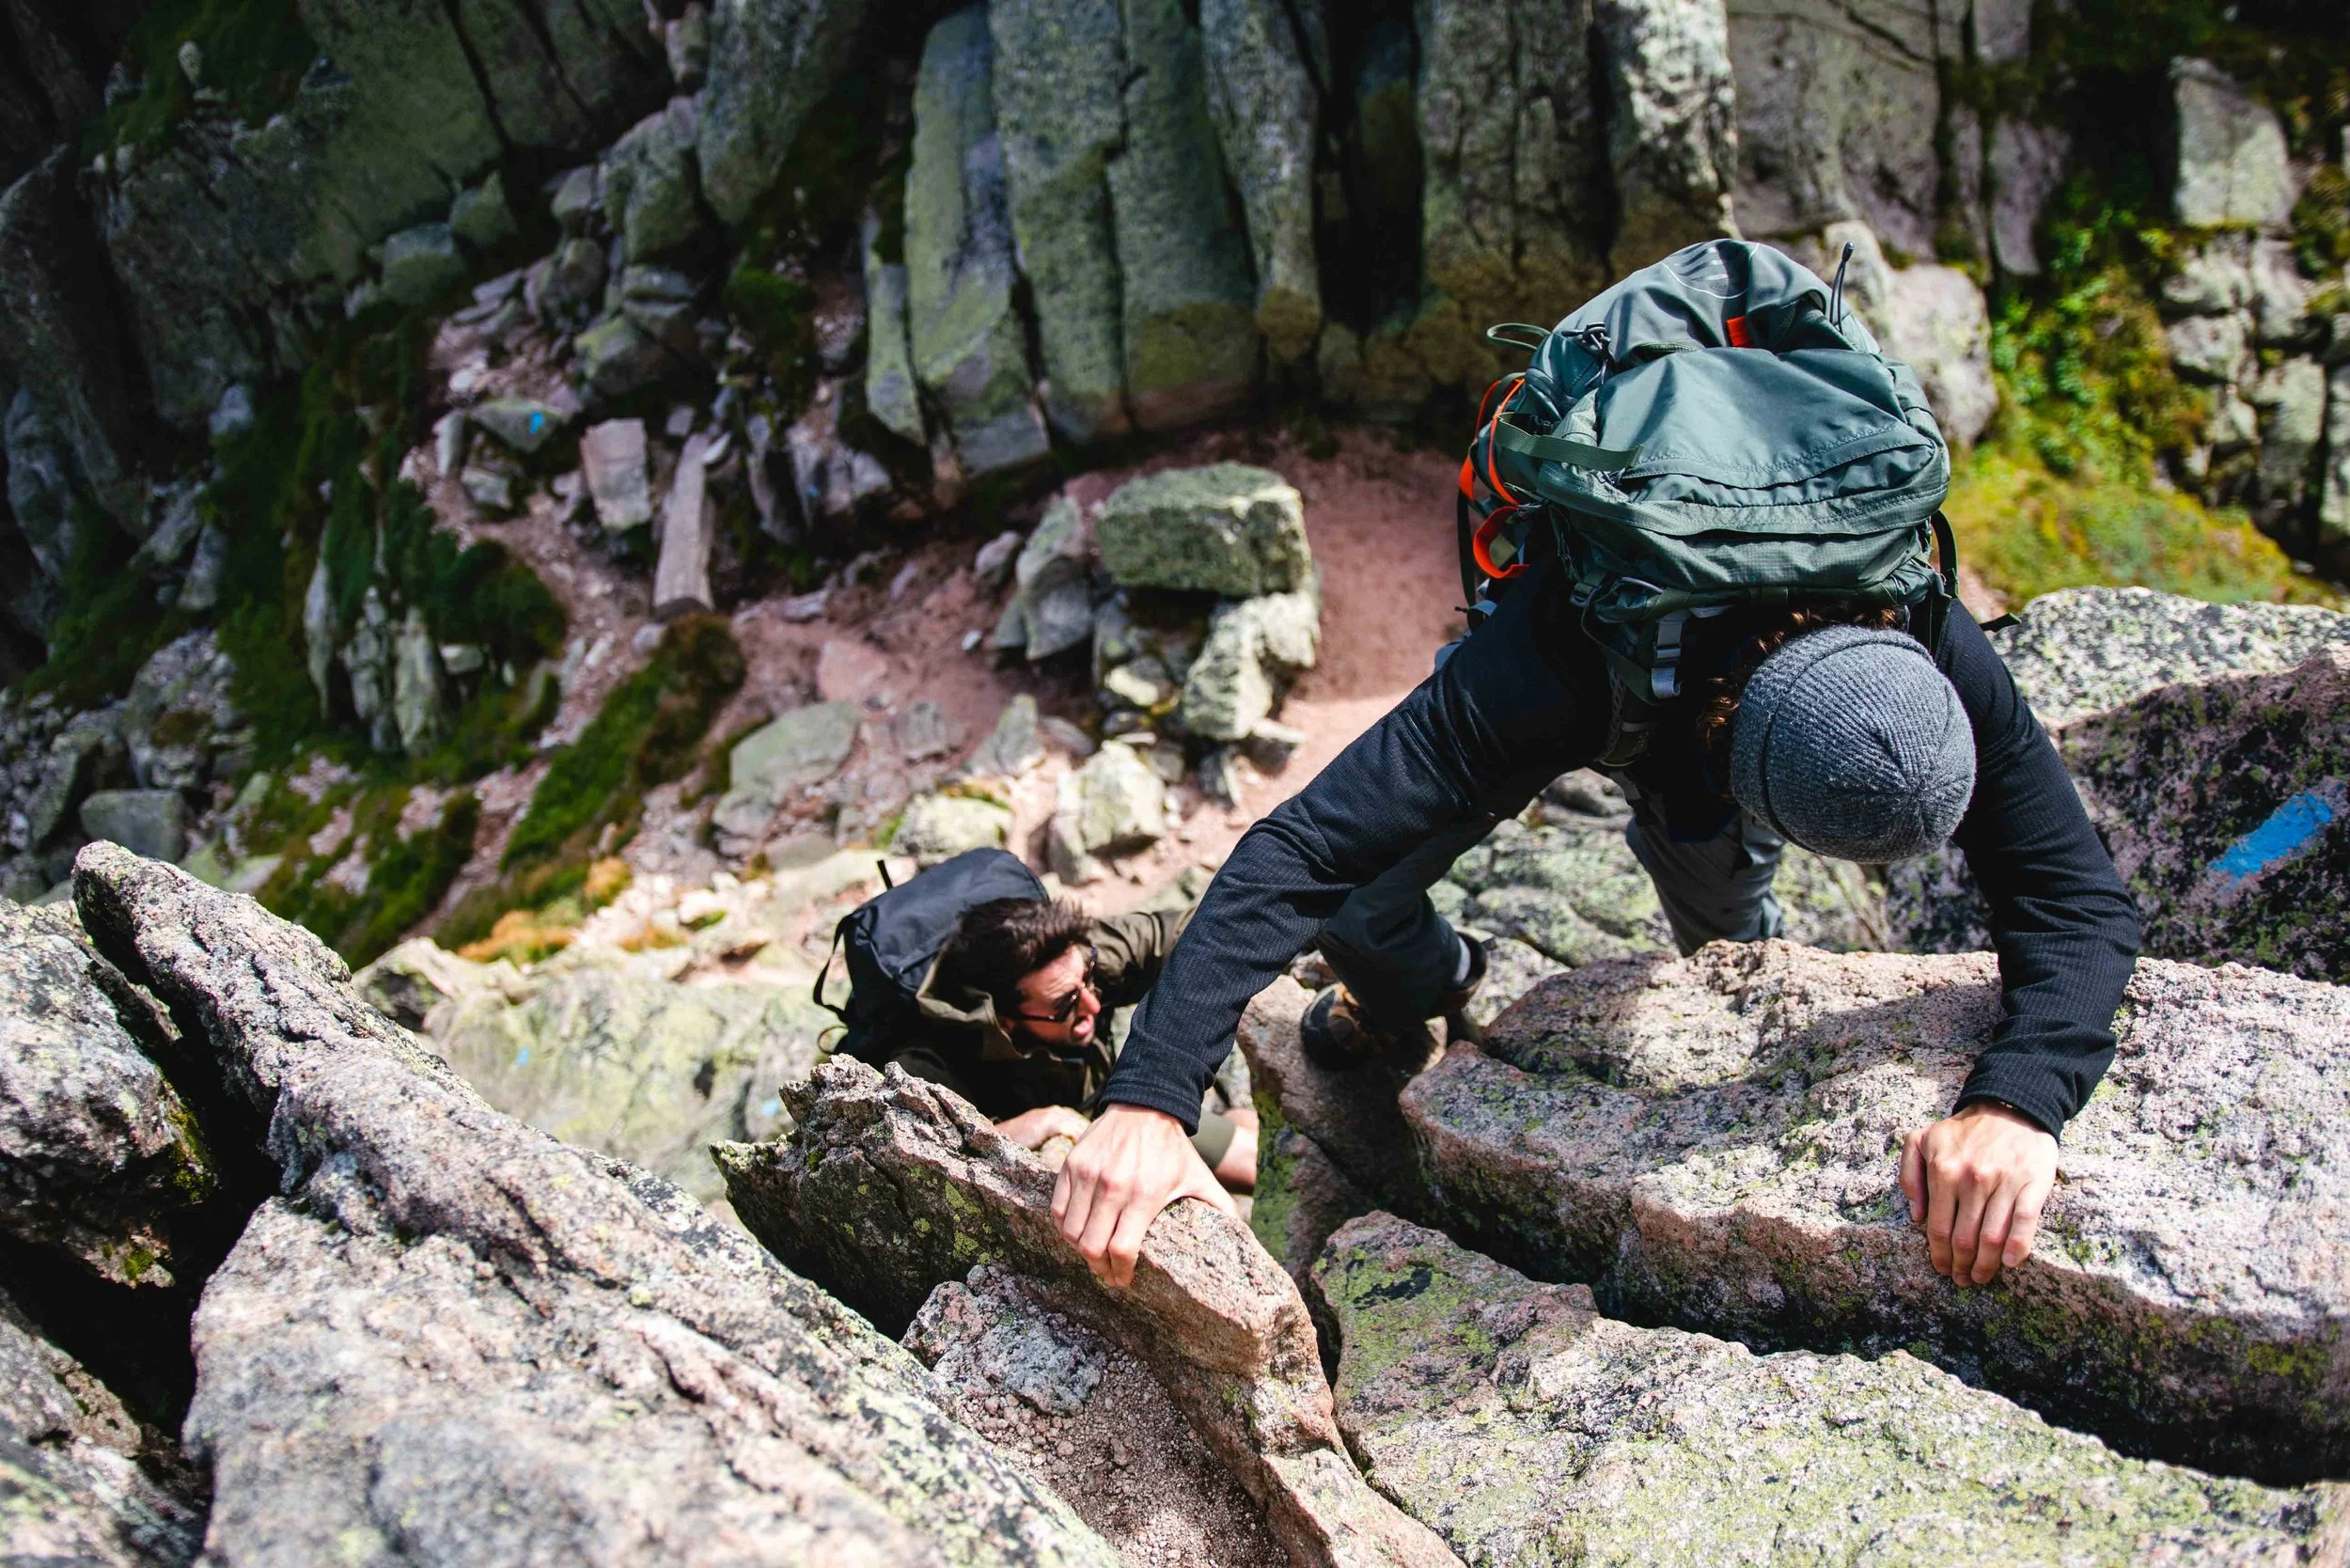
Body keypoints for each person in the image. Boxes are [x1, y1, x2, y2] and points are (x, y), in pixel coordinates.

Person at [1049, 536, 2139, 1289]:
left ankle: (1733, 968)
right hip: (1596, 678)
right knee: (1362, 896)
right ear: (1730, 760)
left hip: (1729, 726)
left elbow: (2075, 896)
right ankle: (1413, 993)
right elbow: (1300, 848)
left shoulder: (1918, 620)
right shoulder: (1543, 662)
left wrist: (2020, 1100)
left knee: (1728, 932)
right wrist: (1150, 1096)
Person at [873, 894, 1258, 1194]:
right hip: (1060, 1144)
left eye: (1088, 979)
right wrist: (1012, 1130)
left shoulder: (1076, 960)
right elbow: (917, 1161)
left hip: (1113, 1097)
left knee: (1251, 1159)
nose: (1092, 1003)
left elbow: (1207, 931)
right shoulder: (927, 1066)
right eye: (1065, 1006)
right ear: (1004, 1020)